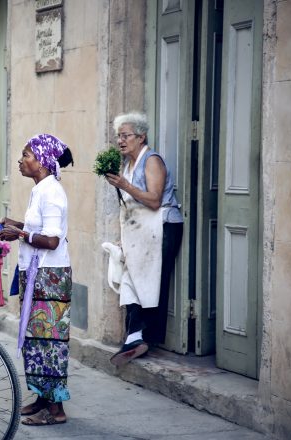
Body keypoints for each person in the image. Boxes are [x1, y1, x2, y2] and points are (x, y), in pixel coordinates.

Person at [0, 134, 74, 426]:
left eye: (26, 154)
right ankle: (42, 398)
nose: (21, 159)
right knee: (36, 341)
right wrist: (15, 224)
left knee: (49, 342)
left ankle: (56, 410)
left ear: (42, 161)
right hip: (38, 274)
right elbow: (38, 228)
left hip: (50, 276)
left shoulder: (51, 192)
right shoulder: (41, 188)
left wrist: (19, 234)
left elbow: (52, 240)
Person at [105, 112, 183, 366]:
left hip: (163, 227)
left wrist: (125, 185)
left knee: (150, 281)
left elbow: (154, 200)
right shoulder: (127, 164)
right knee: (131, 278)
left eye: (126, 135)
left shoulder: (152, 161)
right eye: (118, 135)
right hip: (140, 232)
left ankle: (143, 337)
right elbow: (130, 208)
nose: (120, 140)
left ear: (141, 136)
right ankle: (135, 337)